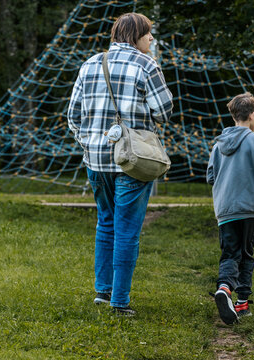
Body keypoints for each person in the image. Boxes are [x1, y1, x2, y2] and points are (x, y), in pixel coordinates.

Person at [67, 13, 173, 316]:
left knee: (106, 222)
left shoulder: (89, 64)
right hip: (133, 161)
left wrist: (89, 142)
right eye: (148, 34)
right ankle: (120, 302)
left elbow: (73, 115)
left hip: (96, 160)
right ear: (135, 35)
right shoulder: (146, 65)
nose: (151, 39)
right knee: (127, 229)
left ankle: (104, 291)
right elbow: (164, 111)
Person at [206, 92, 254, 325]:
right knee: (246, 255)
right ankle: (242, 303)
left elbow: (210, 176)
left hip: (225, 209)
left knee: (230, 252)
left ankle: (225, 288)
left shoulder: (218, 145)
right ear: (253, 115)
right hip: (250, 207)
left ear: (234, 115)